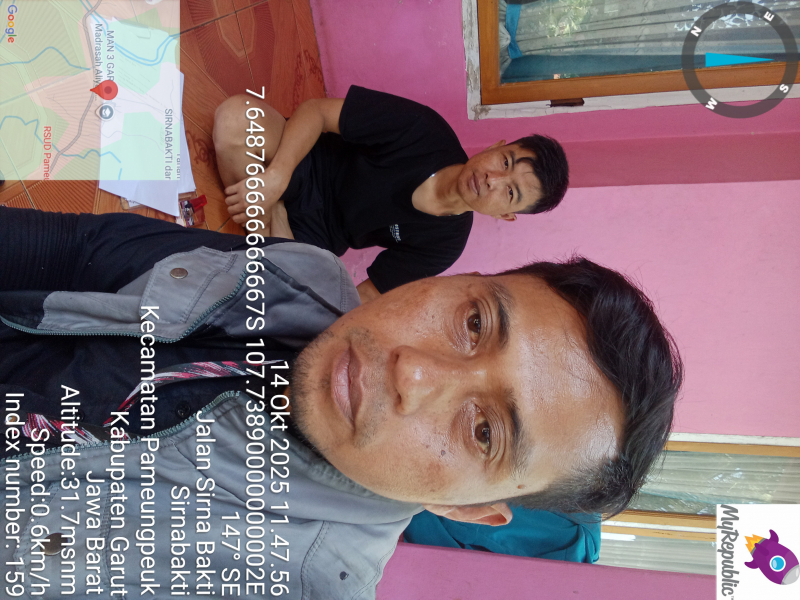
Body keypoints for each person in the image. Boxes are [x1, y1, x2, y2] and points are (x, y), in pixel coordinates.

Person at [0, 208, 681, 599]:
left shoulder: (294, 583)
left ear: (469, 511)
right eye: (473, 322)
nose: (415, 371)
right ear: (460, 276)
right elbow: (72, 250)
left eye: (484, 431)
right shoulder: (295, 275)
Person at [212, 86, 570, 302]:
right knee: (234, 119)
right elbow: (316, 111)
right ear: (495, 146)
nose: (493, 179)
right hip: (302, 160)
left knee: (289, 301)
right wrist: (277, 176)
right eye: (505, 161)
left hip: (318, 237)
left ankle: (270, 218)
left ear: (504, 215)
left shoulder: (446, 245)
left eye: (510, 192)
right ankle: (269, 227)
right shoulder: (425, 131)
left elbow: (369, 294)